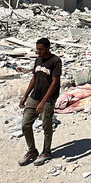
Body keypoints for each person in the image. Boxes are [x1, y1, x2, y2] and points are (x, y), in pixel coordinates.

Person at [19, 38, 62, 166]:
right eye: (37, 49)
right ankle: (32, 151)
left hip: (48, 99)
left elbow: (55, 82)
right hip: (34, 96)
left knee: (46, 126)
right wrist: (25, 96)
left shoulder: (55, 61)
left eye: (41, 49)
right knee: (25, 124)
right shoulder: (38, 60)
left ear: (48, 48)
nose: (38, 51)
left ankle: (46, 151)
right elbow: (34, 78)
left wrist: (43, 102)